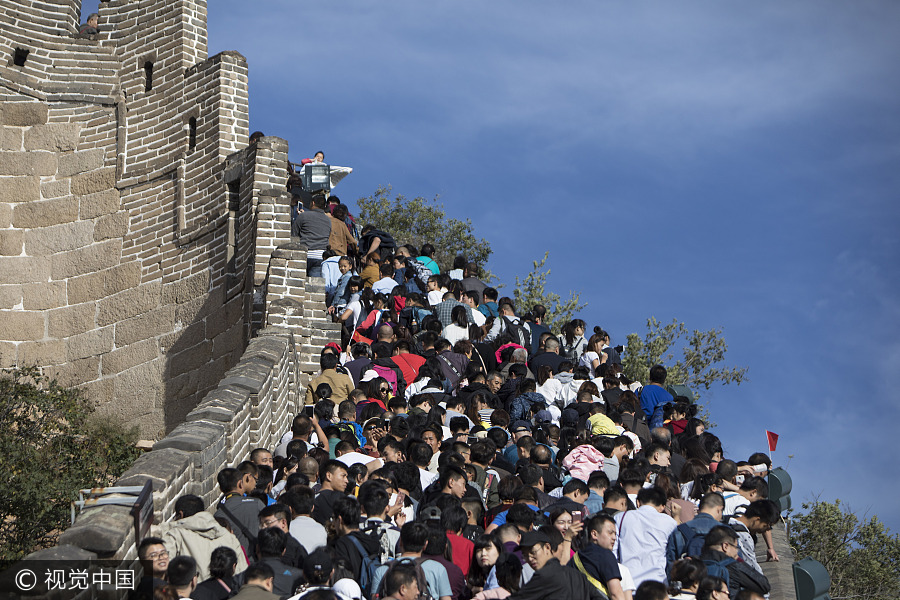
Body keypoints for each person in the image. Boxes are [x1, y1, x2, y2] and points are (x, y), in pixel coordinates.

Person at [157, 494, 248, 581]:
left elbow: (160, 568)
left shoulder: (175, 535)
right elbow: (242, 572)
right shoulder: (228, 536)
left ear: (180, 515)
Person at [506, 530, 604, 600]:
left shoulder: (544, 575)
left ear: (547, 547)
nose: (530, 558)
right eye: (525, 555)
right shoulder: (576, 575)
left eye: (533, 552)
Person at [613, 487, 677, 587]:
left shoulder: (621, 517)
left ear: (638, 503)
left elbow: (614, 552)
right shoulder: (670, 522)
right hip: (658, 583)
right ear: (662, 506)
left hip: (628, 584)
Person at [573, 514, 626, 600]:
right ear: (594, 534)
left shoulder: (577, 556)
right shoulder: (606, 555)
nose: (614, 538)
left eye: (615, 534)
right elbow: (616, 594)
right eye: (610, 533)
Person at [292, 193, 333, 277]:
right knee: (313, 286)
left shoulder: (303, 216)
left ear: (313, 203)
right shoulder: (328, 220)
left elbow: (294, 233)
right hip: (320, 256)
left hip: (305, 254)